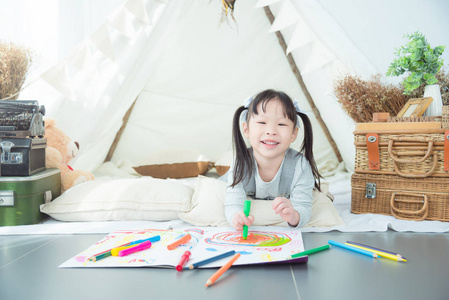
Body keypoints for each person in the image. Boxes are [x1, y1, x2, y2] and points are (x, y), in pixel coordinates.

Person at [223, 89, 322, 230]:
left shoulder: (300, 166)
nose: (271, 131)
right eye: (262, 122)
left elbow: (304, 206)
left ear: (294, 133)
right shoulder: (241, 163)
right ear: (246, 129)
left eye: (281, 124)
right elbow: (232, 202)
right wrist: (235, 217)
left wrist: (294, 216)